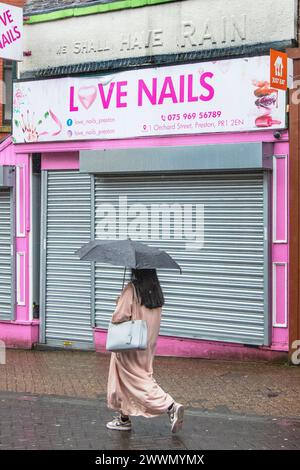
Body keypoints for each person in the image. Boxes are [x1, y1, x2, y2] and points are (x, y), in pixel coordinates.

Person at [106, 268, 184, 433]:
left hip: (129, 344)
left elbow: (119, 317)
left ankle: (170, 406)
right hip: (147, 342)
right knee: (132, 378)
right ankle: (123, 418)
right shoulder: (155, 291)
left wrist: (118, 301)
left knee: (138, 380)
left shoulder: (132, 289)